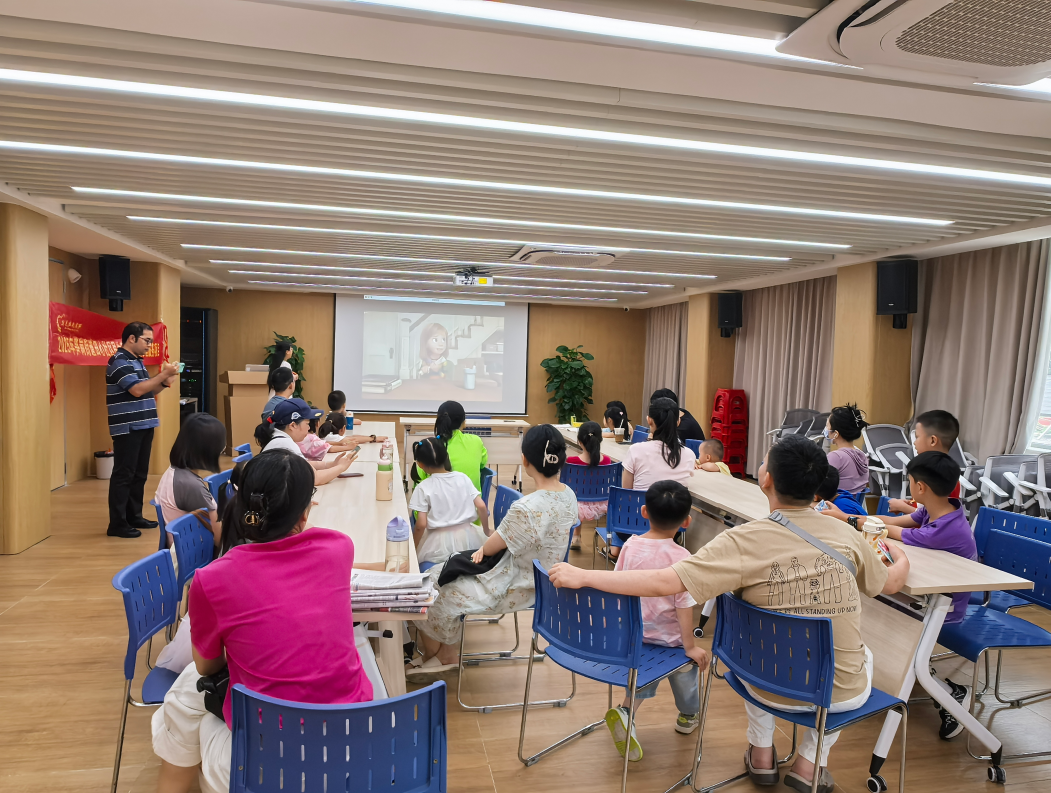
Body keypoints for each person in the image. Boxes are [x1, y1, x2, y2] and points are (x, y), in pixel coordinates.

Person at [548, 435, 910, 793]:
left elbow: (664, 581)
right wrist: (902, 557)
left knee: (760, 646)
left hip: (763, 681)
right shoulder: (849, 536)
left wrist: (585, 576)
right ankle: (810, 763)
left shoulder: (740, 541)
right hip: (837, 694)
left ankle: (762, 752)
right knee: (860, 655)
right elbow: (890, 583)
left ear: (766, 480)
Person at [151, 451, 373, 793]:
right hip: (352, 745)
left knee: (186, 697)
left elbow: (208, 666)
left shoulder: (212, 579)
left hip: (271, 761)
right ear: (305, 511)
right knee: (189, 694)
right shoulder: (339, 548)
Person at [408, 425, 577, 677]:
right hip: (544, 579)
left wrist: (483, 550)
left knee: (431, 586)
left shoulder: (527, 507)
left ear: (525, 460)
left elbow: (493, 545)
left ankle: (443, 655)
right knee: (440, 576)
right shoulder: (569, 495)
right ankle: (441, 653)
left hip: (514, 584)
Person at [605, 481, 708, 762]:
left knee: (642, 673)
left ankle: (627, 712)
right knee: (686, 669)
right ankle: (688, 715)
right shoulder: (682, 558)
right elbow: (683, 607)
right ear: (686, 522)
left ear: (644, 512)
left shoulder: (629, 546)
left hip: (635, 636)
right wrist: (690, 646)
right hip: (669, 641)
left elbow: (617, 586)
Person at [879, 451, 976, 741]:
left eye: (909, 480)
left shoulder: (945, 529)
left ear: (920, 487)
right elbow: (893, 522)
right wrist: (856, 518)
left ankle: (950, 694)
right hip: (926, 596)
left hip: (943, 607)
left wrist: (850, 520)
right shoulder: (935, 510)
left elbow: (892, 532)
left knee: (884, 617)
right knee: (877, 605)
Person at [106, 321, 180, 538]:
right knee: (124, 474)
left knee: (139, 474)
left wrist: (165, 381)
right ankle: (117, 524)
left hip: (145, 423)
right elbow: (137, 390)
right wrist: (162, 375)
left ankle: (134, 516)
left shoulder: (137, 361)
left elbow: (148, 390)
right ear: (132, 338)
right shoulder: (119, 361)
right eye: (147, 340)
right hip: (128, 426)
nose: (149, 345)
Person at [613, 397, 697, 559]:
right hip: (673, 529)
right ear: (678, 422)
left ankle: (617, 551)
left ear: (649, 420)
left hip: (631, 525)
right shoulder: (689, 455)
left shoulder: (636, 450)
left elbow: (627, 492)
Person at [408, 437, 490, 568]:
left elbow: (421, 525)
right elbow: (481, 505)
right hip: (468, 538)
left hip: (438, 543)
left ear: (419, 464)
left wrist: (412, 549)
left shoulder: (423, 487)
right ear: (446, 456)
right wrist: (486, 530)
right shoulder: (462, 477)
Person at [155, 413, 227, 548]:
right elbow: (220, 540)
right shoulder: (191, 486)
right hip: (198, 552)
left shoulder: (175, 472)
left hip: (186, 548)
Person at [254, 399, 355, 485]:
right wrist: (341, 467)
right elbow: (315, 478)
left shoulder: (278, 438)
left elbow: (305, 464)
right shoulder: (286, 444)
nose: (309, 428)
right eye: (307, 423)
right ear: (293, 425)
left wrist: (331, 464)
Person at [888, 410, 962, 512]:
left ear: (933, 440)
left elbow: (935, 516)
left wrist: (903, 508)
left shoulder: (942, 477)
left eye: (917, 437)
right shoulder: (940, 472)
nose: (914, 443)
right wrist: (910, 504)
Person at [415, 400, 488, 491]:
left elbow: (420, 478)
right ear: (464, 422)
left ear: (439, 421)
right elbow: (483, 463)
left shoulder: (430, 446)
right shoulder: (476, 441)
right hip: (472, 500)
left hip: (438, 499)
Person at [565, 421, 614, 550]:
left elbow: (566, 485)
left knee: (576, 495)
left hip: (578, 504)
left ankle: (576, 536)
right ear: (600, 440)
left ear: (579, 441)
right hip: (603, 502)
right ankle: (612, 540)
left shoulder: (571, 461)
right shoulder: (607, 460)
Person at [824, 404, 870, 496]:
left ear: (836, 433)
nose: (825, 429)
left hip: (835, 503)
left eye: (827, 426)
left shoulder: (836, 457)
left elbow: (819, 485)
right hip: (853, 503)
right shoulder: (862, 455)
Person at [317, 411, 388, 449]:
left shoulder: (324, 434)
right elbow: (353, 439)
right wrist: (373, 438)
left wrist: (371, 438)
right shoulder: (333, 438)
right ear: (343, 428)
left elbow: (352, 437)